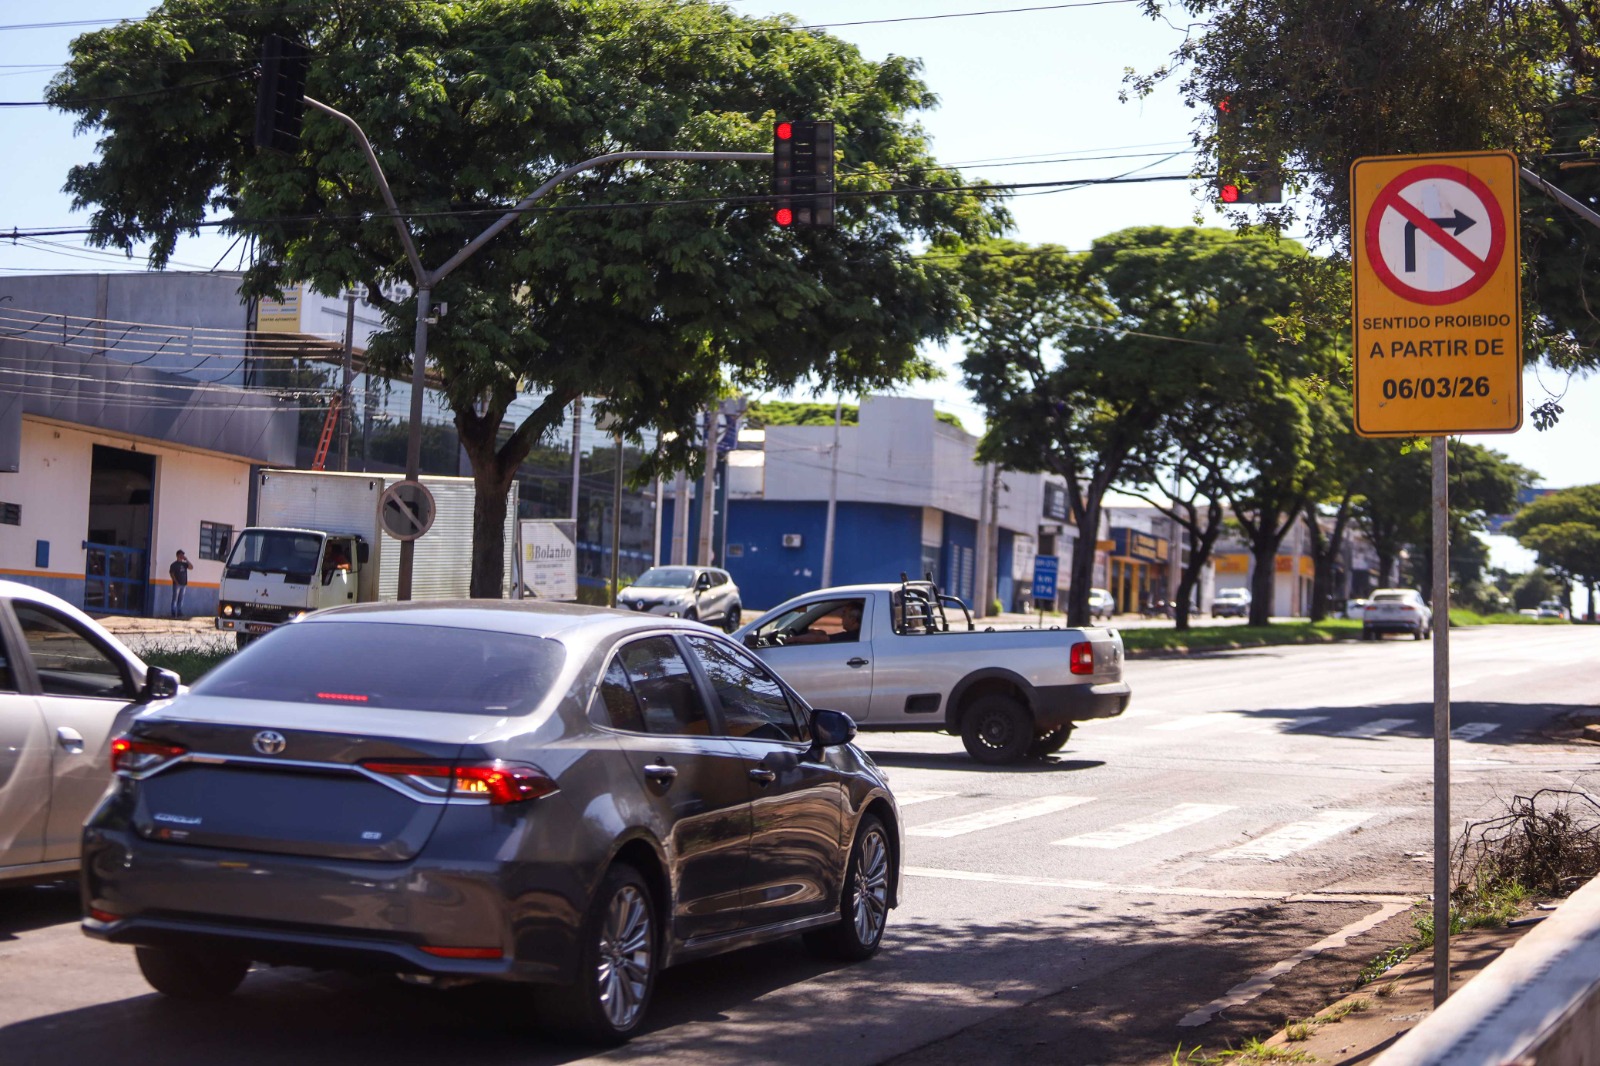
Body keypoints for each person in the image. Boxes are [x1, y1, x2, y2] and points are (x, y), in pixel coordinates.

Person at [168, 550, 192, 617]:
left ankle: (179, 612)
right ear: (178, 555)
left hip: (184, 584)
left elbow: (191, 567)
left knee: (181, 599)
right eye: (181, 555)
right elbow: (171, 574)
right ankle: (173, 612)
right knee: (175, 599)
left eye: (183, 555)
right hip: (177, 585)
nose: (182, 556)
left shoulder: (184, 564)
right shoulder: (174, 565)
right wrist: (176, 582)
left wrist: (186, 560)